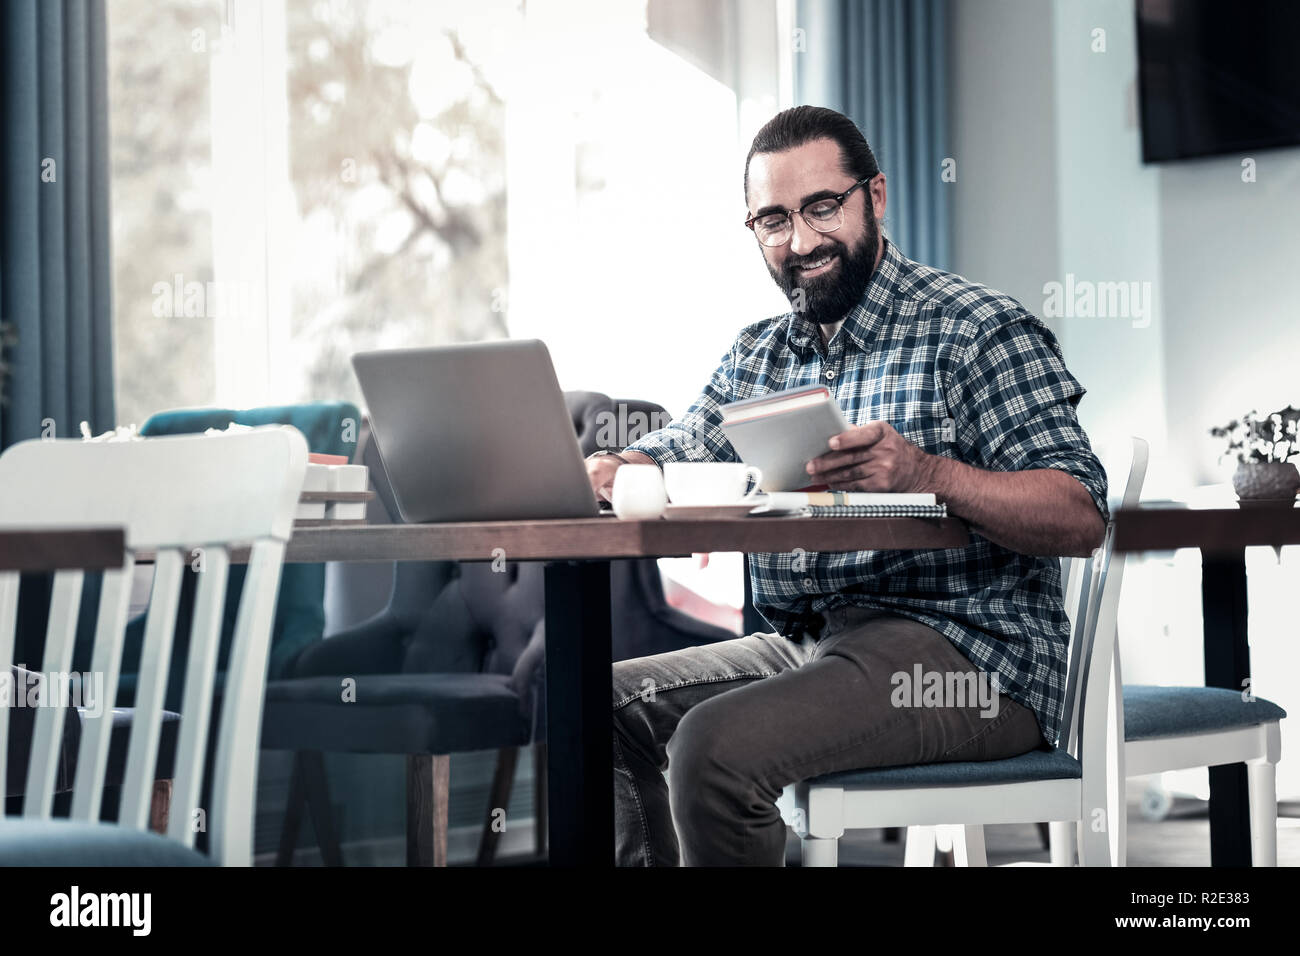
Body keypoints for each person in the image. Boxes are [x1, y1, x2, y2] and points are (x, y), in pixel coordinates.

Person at [585, 105, 1108, 866]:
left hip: (972, 665)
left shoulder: (974, 330)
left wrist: (930, 475)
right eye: (772, 220)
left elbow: (1080, 514)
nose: (799, 241)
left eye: (821, 207)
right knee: (594, 708)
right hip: (817, 649)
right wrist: (622, 469)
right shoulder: (758, 354)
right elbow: (684, 444)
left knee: (713, 749)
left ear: (877, 197)